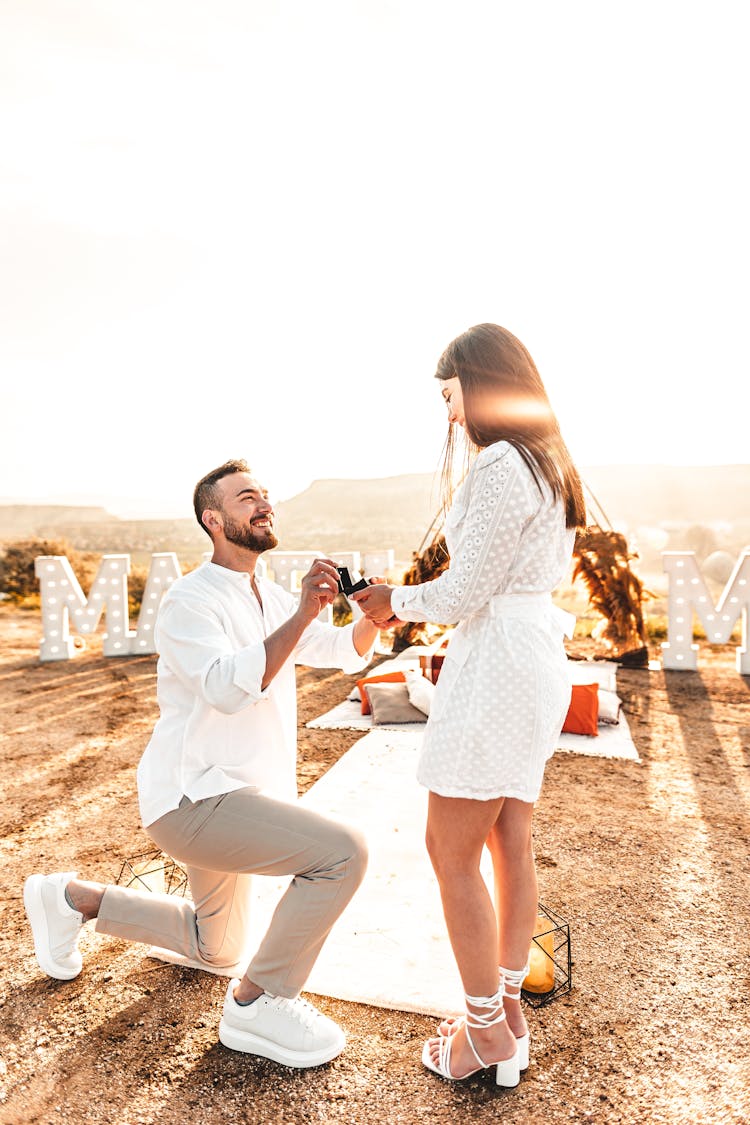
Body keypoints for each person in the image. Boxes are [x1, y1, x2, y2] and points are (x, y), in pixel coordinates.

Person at [24, 459, 379, 1068]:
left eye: (265, 495)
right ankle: (258, 1005)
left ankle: (72, 899)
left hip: (242, 798)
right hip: (196, 799)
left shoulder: (268, 594)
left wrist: (371, 617)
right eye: (247, 498)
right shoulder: (188, 600)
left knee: (216, 949)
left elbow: (341, 649)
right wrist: (299, 616)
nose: (263, 504)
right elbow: (224, 688)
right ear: (213, 519)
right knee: (343, 853)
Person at [353, 324, 585, 1086]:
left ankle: (485, 1033)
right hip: (536, 658)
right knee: (508, 840)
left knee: (450, 850)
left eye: (450, 396)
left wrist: (393, 600)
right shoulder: (548, 464)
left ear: (477, 385)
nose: (449, 415)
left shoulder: (498, 464)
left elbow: (463, 590)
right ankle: (507, 1012)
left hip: (497, 664)